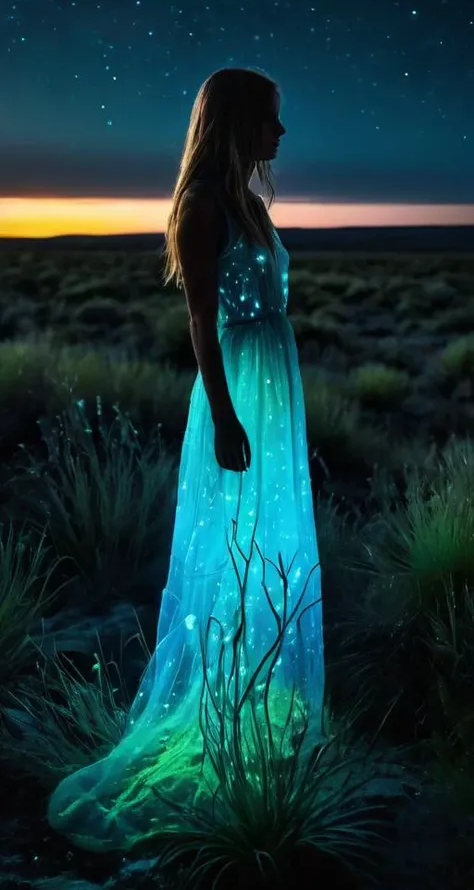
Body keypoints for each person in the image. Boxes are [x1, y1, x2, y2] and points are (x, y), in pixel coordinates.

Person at [47, 66, 325, 852]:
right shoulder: (204, 209)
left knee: (271, 544)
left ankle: (258, 713)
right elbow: (203, 323)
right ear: (236, 122)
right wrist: (227, 418)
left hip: (274, 389)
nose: (281, 132)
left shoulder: (251, 204)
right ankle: (218, 717)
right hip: (239, 389)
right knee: (230, 551)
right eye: (271, 118)